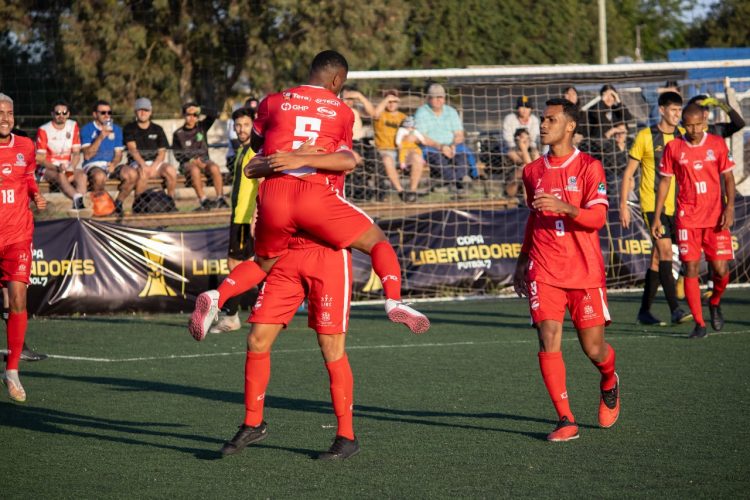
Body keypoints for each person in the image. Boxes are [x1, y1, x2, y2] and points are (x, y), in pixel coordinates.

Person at [188, 50, 429, 340]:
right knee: (378, 242)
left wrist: (285, 156)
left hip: (274, 199)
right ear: (338, 79)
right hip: (316, 202)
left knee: (261, 263)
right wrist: (305, 159)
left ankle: (217, 295)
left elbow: (252, 159)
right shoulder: (340, 111)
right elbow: (348, 159)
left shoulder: (272, 101)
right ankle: (393, 301)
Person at [513, 98, 620, 442]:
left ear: (570, 126)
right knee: (548, 337)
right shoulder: (532, 171)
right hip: (543, 270)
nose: (543, 125)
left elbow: (598, 219)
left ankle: (609, 378)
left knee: (594, 350)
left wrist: (565, 207)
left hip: (584, 272)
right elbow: (534, 218)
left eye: (551, 120)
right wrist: (521, 260)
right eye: (542, 120)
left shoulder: (590, 167)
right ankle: (565, 418)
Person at [218, 233, 360, 460]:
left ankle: (346, 436)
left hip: (326, 255)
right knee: (257, 339)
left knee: (330, 346)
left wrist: (391, 292)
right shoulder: (267, 195)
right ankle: (253, 423)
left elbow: (369, 235)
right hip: (286, 255)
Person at [652, 103, 736, 339]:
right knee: (690, 267)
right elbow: (665, 183)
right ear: (683, 125)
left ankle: (715, 301)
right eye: (689, 125)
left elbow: (728, 178)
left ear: (705, 122)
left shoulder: (717, 144)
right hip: (687, 217)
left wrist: (729, 207)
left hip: (715, 217)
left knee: (721, 270)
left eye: (698, 124)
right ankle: (699, 324)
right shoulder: (674, 147)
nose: (694, 130)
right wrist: (657, 216)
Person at [620, 91, 692, 327]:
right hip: (652, 206)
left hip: (676, 206)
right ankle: (675, 309)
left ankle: (644, 311)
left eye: (679, 110)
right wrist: (623, 204)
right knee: (665, 254)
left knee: (655, 261)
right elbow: (629, 173)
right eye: (673, 110)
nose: (677, 115)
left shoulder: (682, 136)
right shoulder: (645, 136)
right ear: (661, 110)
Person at [0, 93, 48, 402]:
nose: (4, 117)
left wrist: (36, 195)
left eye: (9, 112)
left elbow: (29, 178)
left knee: (18, 299)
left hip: (18, 236)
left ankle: (12, 370)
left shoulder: (25, 146)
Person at [210, 107, 260, 334]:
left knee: (236, 266)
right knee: (252, 266)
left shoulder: (255, 150)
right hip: (239, 216)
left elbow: (262, 184)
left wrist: (255, 216)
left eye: (246, 125)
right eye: (238, 125)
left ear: (254, 125)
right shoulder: (242, 149)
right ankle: (266, 307)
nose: (241, 129)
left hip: (245, 218)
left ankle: (232, 317)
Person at [80, 100, 134, 216]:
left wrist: (114, 164)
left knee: (132, 174)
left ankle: (118, 203)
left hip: (110, 165)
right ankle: (100, 209)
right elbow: (87, 155)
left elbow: (118, 154)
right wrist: (101, 136)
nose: (107, 115)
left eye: (109, 112)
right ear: (95, 114)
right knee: (99, 176)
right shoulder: (87, 129)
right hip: (93, 165)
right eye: (103, 112)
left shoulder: (117, 129)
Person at [414, 83, 470, 194]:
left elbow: (459, 133)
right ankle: (453, 184)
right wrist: (441, 147)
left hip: (452, 146)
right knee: (439, 160)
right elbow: (421, 137)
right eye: (435, 97)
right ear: (429, 98)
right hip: (432, 147)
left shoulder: (451, 111)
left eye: (441, 97)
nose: (439, 100)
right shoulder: (421, 113)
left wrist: (453, 145)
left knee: (462, 157)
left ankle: (456, 183)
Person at [172, 102, 226, 210]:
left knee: (215, 167)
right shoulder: (178, 133)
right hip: (187, 164)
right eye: (188, 115)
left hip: (204, 160)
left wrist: (199, 109)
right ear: (184, 115)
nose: (192, 118)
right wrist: (192, 160)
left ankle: (220, 199)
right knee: (194, 170)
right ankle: (203, 200)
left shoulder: (202, 126)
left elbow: (215, 113)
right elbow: (177, 155)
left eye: (195, 115)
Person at [35, 99, 87, 211]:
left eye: (64, 113)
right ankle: (77, 199)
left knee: (81, 175)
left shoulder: (73, 125)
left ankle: (79, 205)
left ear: (68, 114)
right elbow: (40, 159)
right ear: (52, 114)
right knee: (60, 175)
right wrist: (57, 168)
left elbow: (77, 153)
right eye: (58, 113)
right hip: (48, 167)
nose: (61, 115)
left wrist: (71, 167)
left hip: (67, 166)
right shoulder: (44, 129)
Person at [124, 97, 177, 201]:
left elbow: (162, 153)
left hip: (155, 164)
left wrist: (153, 167)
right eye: (140, 110)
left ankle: (170, 202)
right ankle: (138, 205)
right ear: (135, 111)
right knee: (143, 174)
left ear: (150, 112)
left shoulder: (158, 129)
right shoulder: (129, 128)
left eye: (146, 110)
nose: (143, 113)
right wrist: (143, 165)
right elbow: (133, 150)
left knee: (171, 171)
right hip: (136, 163)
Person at [394, 115, 426, 202]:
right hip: (404, 146)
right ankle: (402, 163)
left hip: (412, 147)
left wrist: (421, 140)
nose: (409, 127)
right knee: (402, 152)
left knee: (418, 152)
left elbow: (419, 136)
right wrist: (399, 144)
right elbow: (399, 137)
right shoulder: (402, 130)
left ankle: (413, 191)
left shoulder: (414, 131)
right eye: (408, 125)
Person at [504, 128, 540, 199]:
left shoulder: (533, 150)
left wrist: (525, 149)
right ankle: (528, 202)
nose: (526, 141)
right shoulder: (511, 152)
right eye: (523, 138)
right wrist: (524, 149)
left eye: (528, 138)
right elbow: (528, 165)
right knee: (525, 170)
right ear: (517, 139)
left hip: (531, 181)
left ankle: (529, 201)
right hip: (513, 183)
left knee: (527, 171)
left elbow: (536, 167)